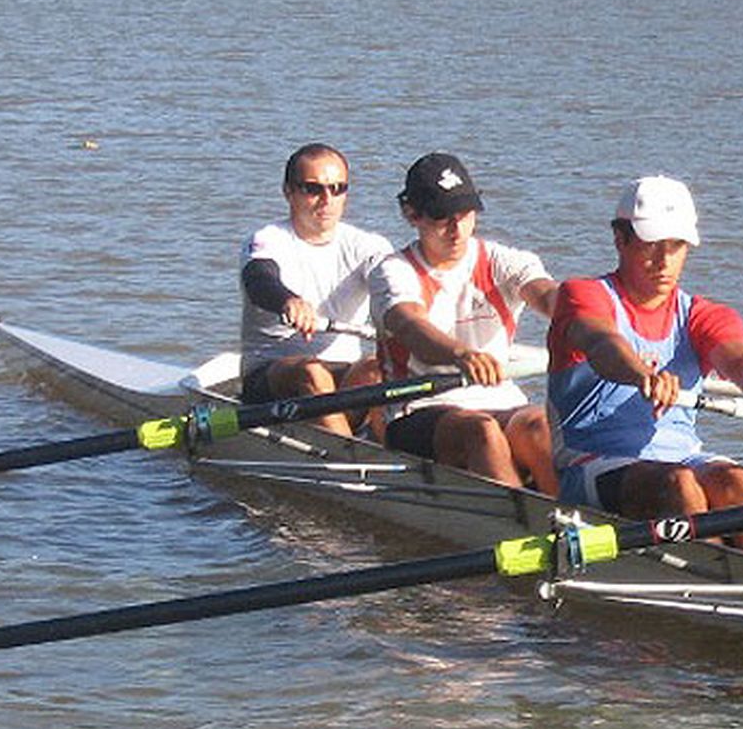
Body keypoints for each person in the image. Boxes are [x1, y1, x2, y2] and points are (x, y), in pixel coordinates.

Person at [546, 176, 743, 560]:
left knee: (737, 482)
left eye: (676, 247)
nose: (664, 261)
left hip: (683, 454)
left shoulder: (704, 315)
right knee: (680, 485)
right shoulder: (583, 295)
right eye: (651, 245)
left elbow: (739, 359)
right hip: (590, 462)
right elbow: (602, 343)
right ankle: (716, 582)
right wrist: (643, 375)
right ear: (620, 240)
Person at [369, 152, 559, 490]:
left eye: (466, 214)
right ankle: (521, 528)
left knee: (541, 424)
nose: (457, 231)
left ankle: (575, 519)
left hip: (500, 400)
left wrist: (591, 324)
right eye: (442, 217)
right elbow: (410, 326)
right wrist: (461, 354)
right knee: (481, 431)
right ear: (411, 214)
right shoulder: (393, 271)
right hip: (417, 408)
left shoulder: (505, 261)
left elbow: (548, 297)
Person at [240, 142, 393, 435]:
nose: (327, 200)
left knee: (380, 367)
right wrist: (288, 301)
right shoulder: (267, 240)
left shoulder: (369, 246)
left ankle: (384, 451)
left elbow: (394, 283)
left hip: (343, 376)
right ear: (288, 192)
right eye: (313, 189)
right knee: (313, 372)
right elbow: (260, 279)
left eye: (338, 189)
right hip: (272, 374)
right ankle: (349, 464)